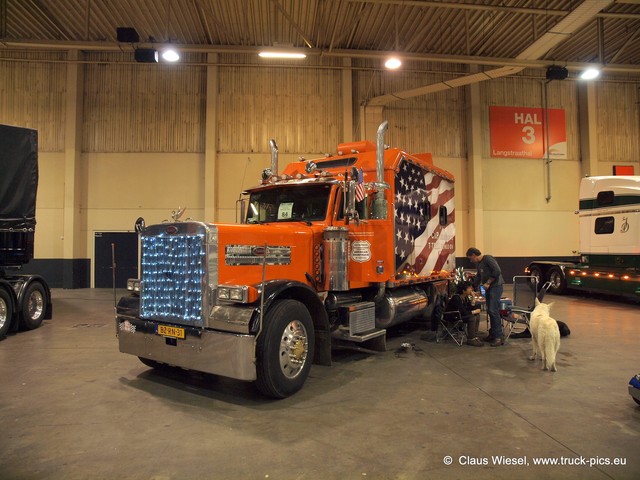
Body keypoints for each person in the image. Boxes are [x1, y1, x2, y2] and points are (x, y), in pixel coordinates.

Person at [466, 247, 505, 346]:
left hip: (495, 287)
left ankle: (499, 337)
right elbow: (479, 276)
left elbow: (497, 271)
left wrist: (488, 282)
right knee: (490, 311)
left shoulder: (488, 259)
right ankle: (493, 334)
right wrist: (471, 287)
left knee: (493, 310)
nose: (471, 261)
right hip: (489, 289)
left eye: (471, 258)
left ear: (474, 255)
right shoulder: (479, 264)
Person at [445, 281, 483, 347]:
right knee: (472, 317)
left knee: (477, 315)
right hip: (453, 316)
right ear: (463, 290)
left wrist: (473, 299)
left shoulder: (465, 297)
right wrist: (474, 311)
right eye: (469, 288)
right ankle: (471, 339)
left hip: (460, 315)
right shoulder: (456, 298)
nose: (471, 290)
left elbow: (470, 308)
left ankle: (474, 336)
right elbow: (463, 312)